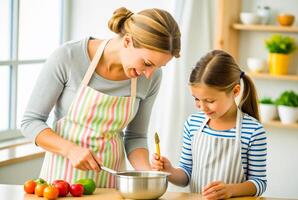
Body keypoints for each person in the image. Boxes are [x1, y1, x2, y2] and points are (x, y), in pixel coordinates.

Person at [21, 7, 181, 187]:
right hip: (62, 182)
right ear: (128, 41)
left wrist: (148, 174)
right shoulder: (68, 57)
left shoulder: (151, 78)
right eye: (147, 63)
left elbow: (136, 136)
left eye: (158, 67)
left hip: (111, 182)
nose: (149, 74)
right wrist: (70, 150)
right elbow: (31, 122)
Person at [151, 50, 267, 199]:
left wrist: (231, 190)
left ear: (235, 91)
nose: (202, 107)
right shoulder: (192, 124)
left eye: (210, 101)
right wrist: (170, 171)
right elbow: (186, 175)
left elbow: (259, 183)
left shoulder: (253, 130)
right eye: (196, 99)